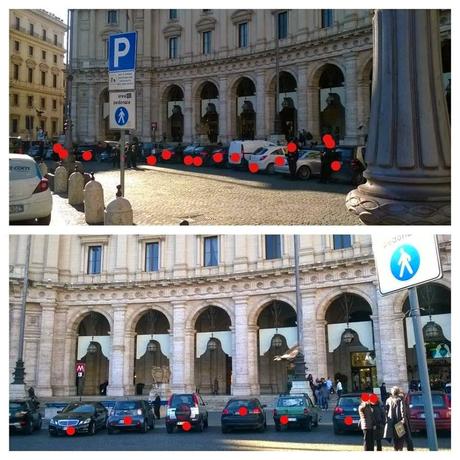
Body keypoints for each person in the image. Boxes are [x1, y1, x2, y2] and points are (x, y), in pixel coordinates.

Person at [383, 386, 414, 451]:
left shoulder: (388, 400)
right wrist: (403, 419)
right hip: (399, 421)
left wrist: (387, 420)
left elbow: (386, 411)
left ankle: (396, 450)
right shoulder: (400, 399)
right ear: (398, 392)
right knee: (401, 438)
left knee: (395, 438)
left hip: (392, 421)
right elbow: (402, 409)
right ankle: (400, 450)